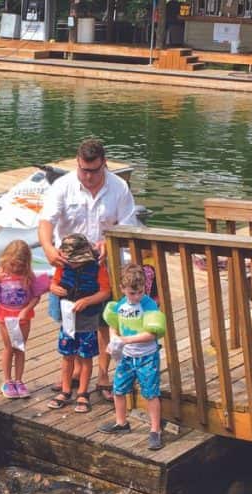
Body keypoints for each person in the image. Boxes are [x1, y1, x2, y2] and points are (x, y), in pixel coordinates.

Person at [38, 137, 138, 397]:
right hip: (69, 266)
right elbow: (46, 221)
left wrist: (110, 241)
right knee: (68, 319)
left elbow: (129, 225)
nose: (88, 176)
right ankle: (73, 372)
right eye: (83, 169)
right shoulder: (62, 186)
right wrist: (48, 248)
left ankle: (103, 377)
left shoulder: (119, 188)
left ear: (104, 164)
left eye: (94, 171)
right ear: (77, 163)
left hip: (104, 263)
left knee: (104, 320)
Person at [99, 264, 167, 450]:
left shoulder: (150, 306)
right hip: (127, 357)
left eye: (139, 292)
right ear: (122, 289)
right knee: (119, 389)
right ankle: (121, 422)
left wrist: (125, 339)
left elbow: (153, 333)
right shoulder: (120, 305)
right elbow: (114, 324)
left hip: (146, 356)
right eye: (131, 293)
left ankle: (155, 429)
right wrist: (113, 338)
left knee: (151, 393)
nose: (136, 297)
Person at [47, 234, 112, 414]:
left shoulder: (96, 268)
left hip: (87, 319)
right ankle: (66, 390)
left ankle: (83, 392)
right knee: (67, 355)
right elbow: (53, 283)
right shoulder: (63, 267)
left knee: (85, 357)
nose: (73, 264)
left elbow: (105, 292)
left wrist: (89, 300)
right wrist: (54, 288)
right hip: (68, 319)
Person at [0, 240, 47, 400]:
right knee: (9, 348)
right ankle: (7, 381)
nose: (15, 269)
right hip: (5, 315)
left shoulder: (28, 276)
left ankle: (19, 380)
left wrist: (26, 310)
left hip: (23, 316)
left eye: (19, 266)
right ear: (5, 259)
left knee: (20, 348)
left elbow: (36, 296)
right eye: (12, 265)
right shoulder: (1, 274)